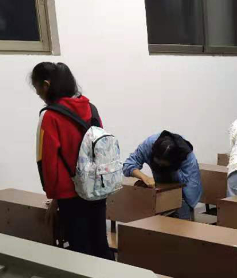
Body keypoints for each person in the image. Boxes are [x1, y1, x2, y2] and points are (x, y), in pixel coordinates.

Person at [32, 62, 114, 260]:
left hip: (70, 195)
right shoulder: (91, 108)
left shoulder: (50, 116)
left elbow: (46, 162)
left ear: (46, 85)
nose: (38, 94)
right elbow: (100, 148)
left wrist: (54, 196)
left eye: (37, 88)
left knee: (80, 247)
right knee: (100, 243)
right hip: (96, 188)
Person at [123, 131, 202, 220]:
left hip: (182, 190)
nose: (160, 166)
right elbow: (128, 165)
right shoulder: (148, 145)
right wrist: (145, 178)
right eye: (158, 163)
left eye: (163, 164)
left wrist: (179, 203)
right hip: (159, 188)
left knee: (182, 221)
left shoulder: (186, 156)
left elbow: (190, 191)